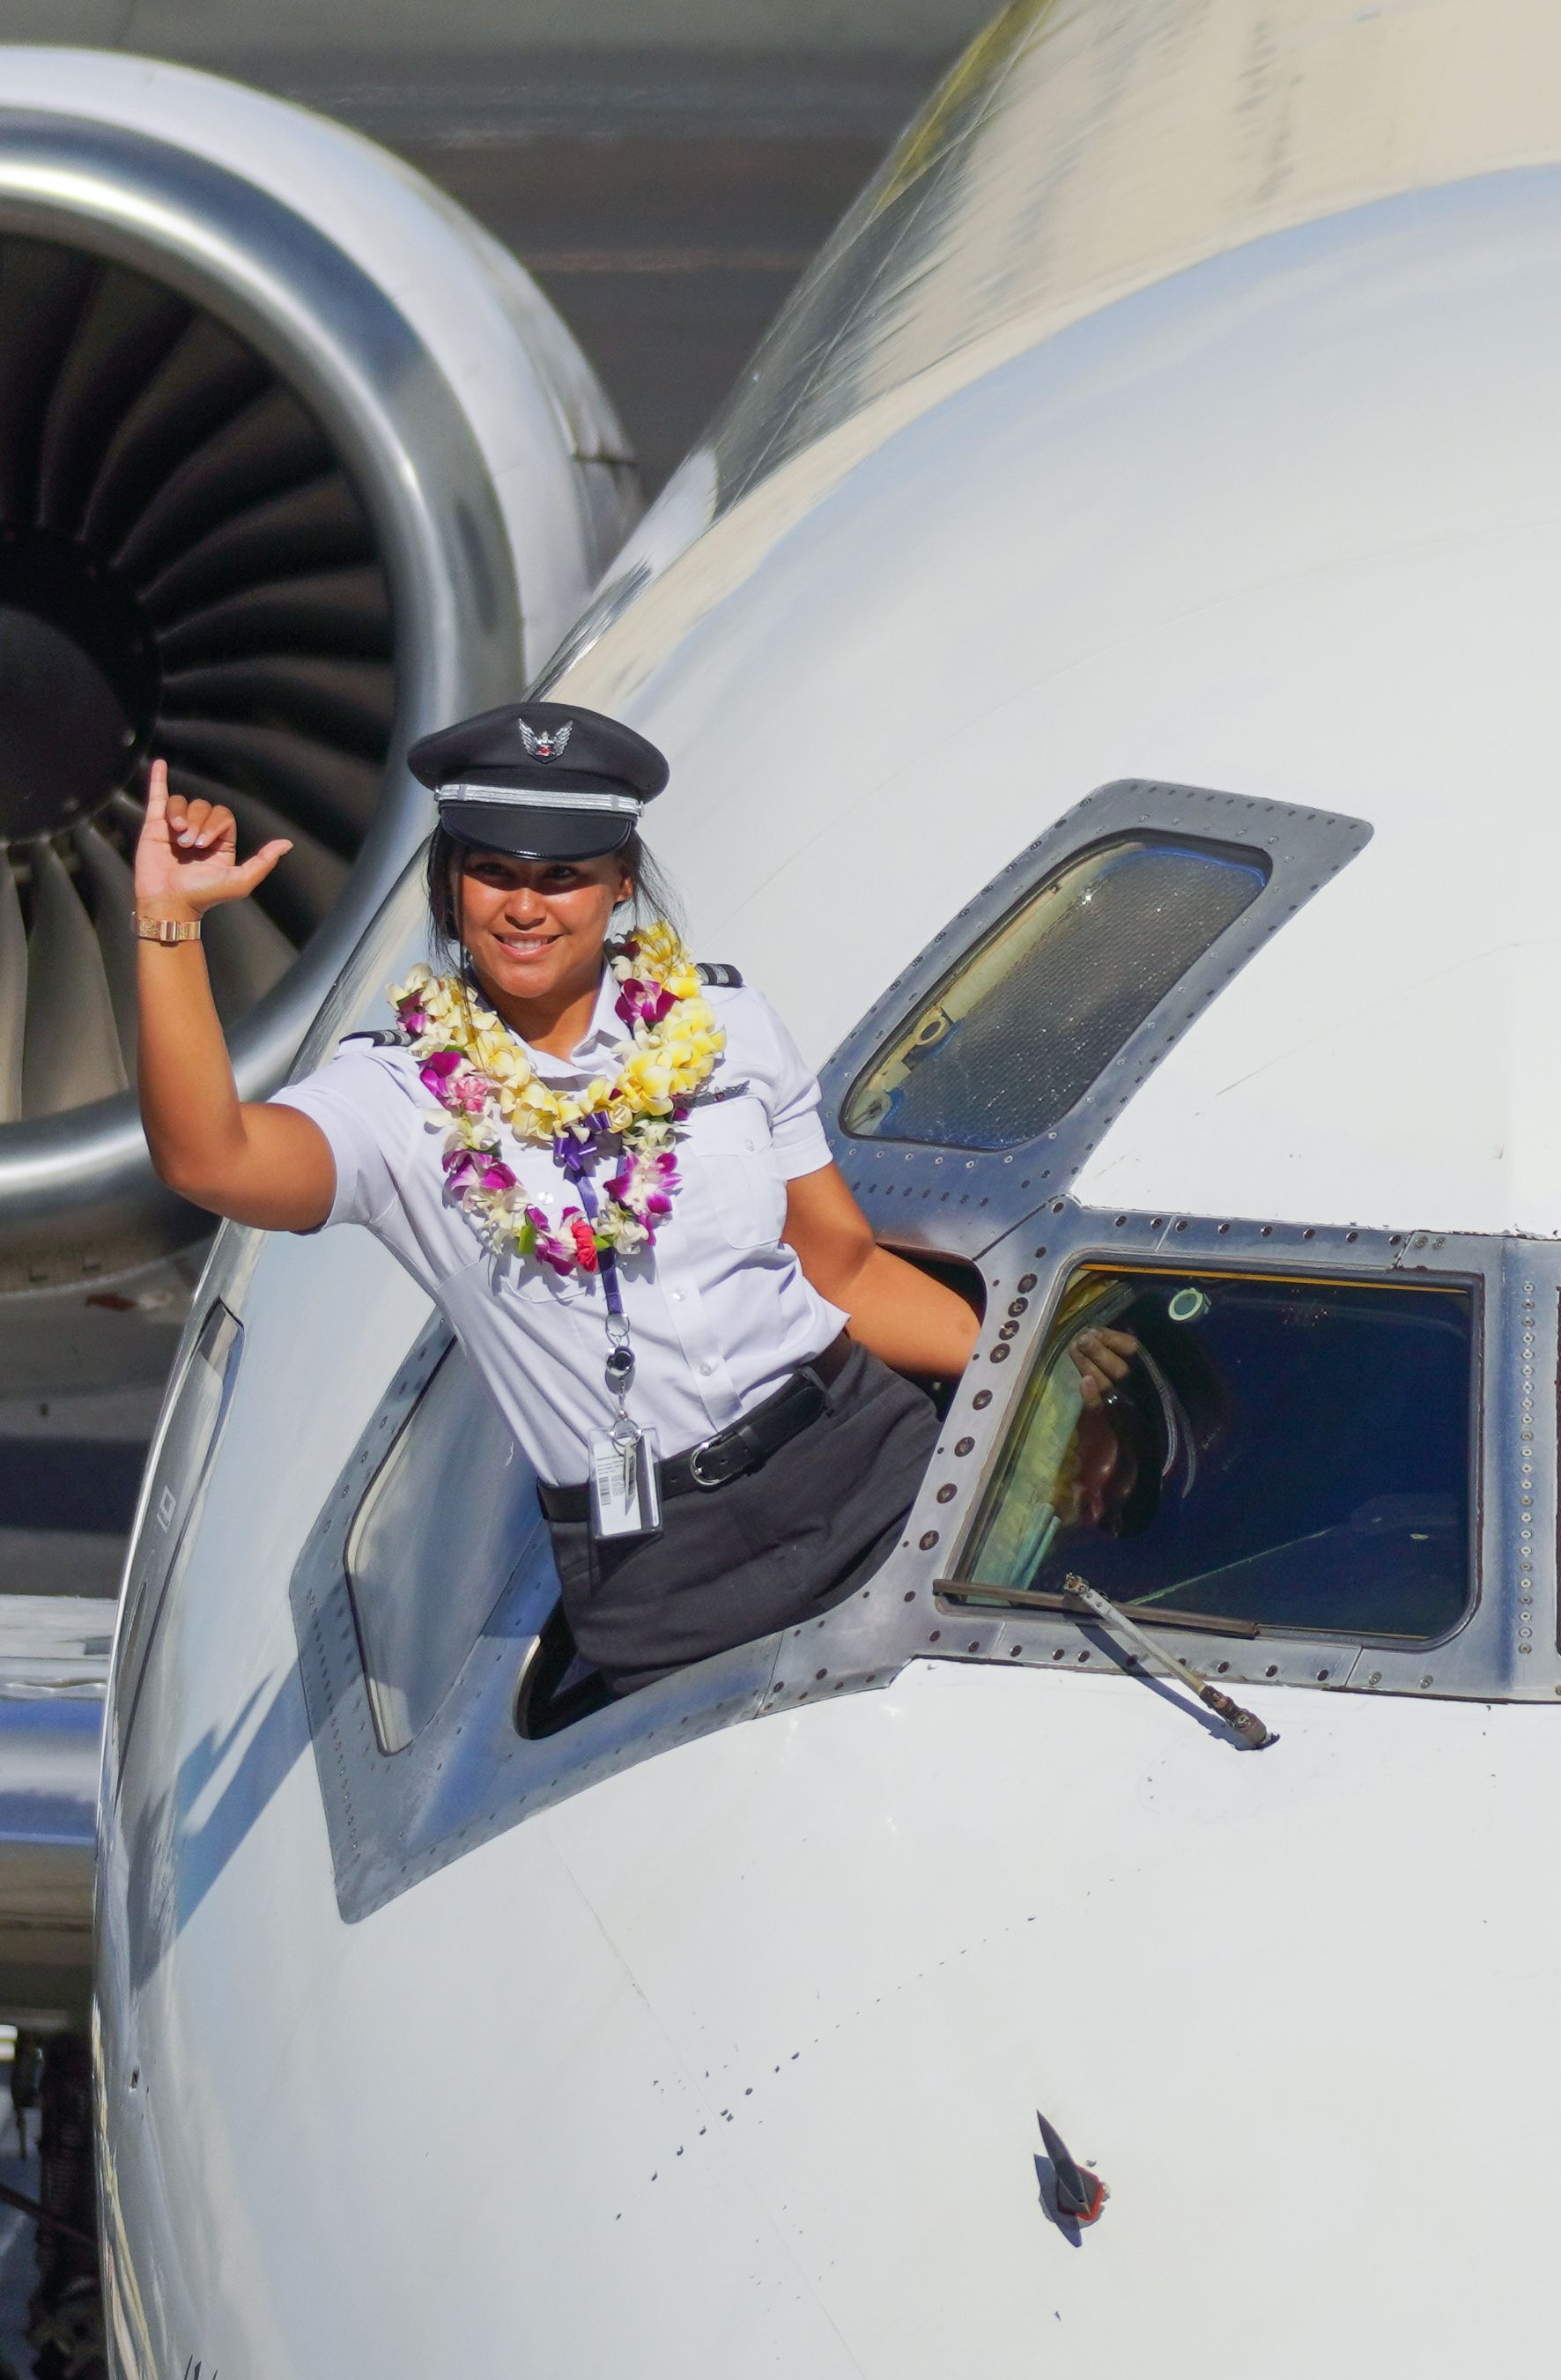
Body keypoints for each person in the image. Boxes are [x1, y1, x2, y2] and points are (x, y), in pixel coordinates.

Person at [130, 700, 978, 1695]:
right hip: (656, 1560)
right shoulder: (400, 1095)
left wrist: (1040, 1382)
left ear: (620, 882)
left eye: (563, 876)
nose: (526, 906)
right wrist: (169, 925)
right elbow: (209, 1160)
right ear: (451, 886)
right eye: (495, 871)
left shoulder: (726, 1027)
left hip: (861, 1458)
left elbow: (840, 1265)